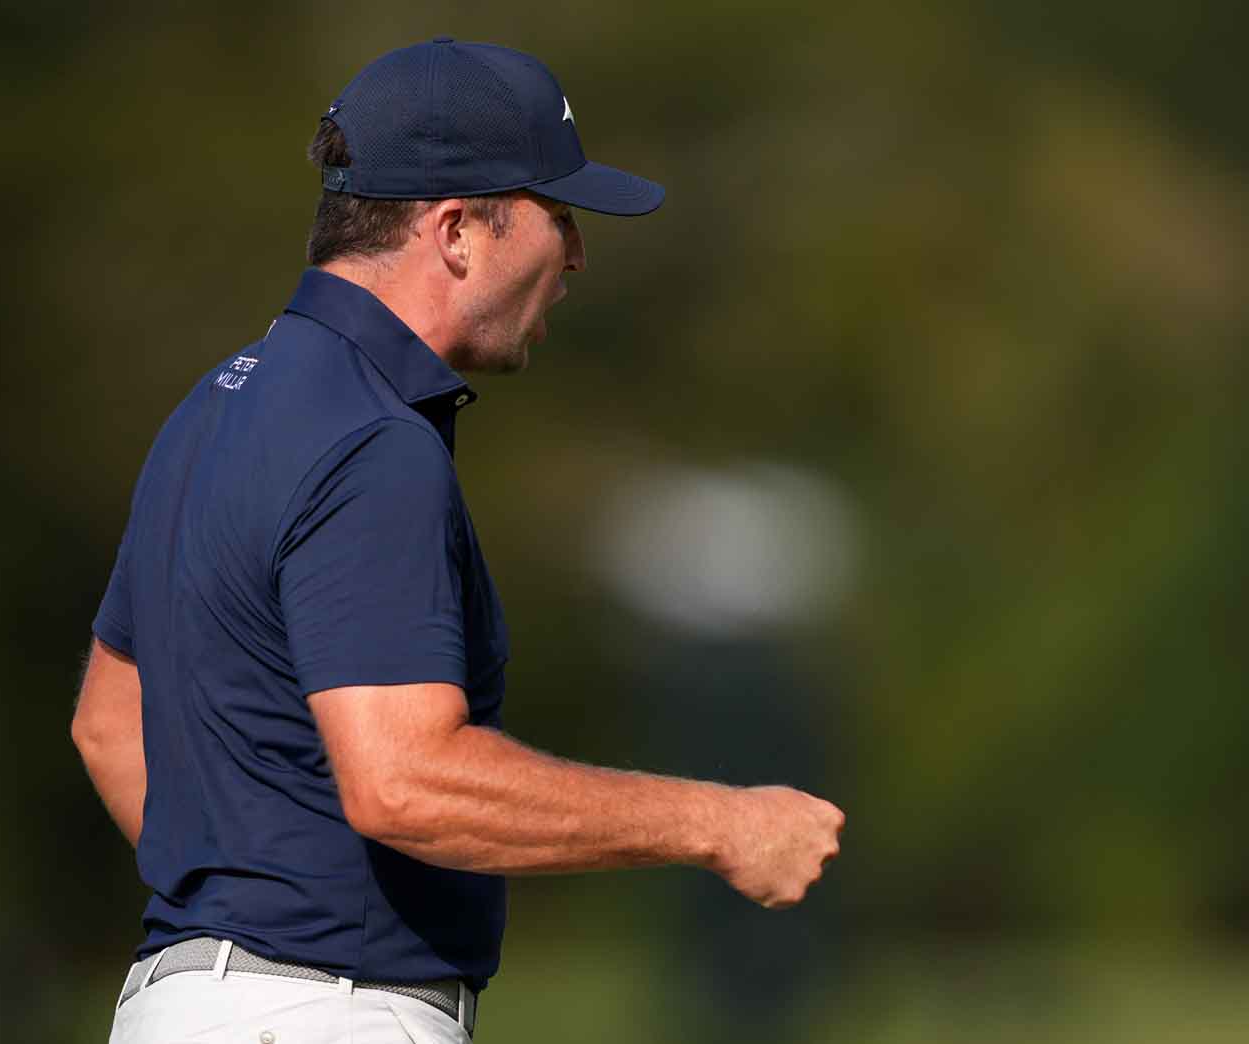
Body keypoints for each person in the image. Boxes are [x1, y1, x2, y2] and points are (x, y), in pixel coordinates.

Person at [71, 38, 845, 1044]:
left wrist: (247, 915)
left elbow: (107, 721)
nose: (572, 255)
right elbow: (402, 778)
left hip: (180, 1008)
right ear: (455, 232)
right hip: (318, 1018)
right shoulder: (373, 441)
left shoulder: (219, 404)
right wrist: (718, 824)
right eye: (554, 216)